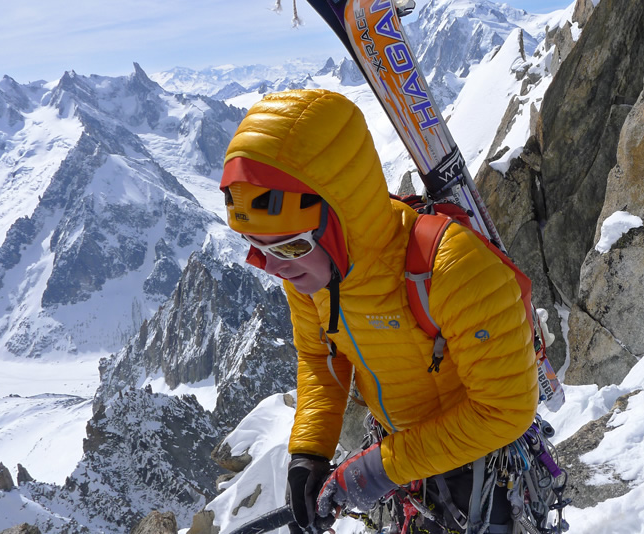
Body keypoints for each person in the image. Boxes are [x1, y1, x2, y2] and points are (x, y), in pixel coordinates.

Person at [220, 89, 539, 533]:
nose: (272, 267)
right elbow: (321, 357)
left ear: (340, 221)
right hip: (406, 459)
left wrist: (379, 469)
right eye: (255, 248)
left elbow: (505, 409)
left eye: (289, 246)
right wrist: (309, 452)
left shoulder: (454, 270)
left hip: (483, 460)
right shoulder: (310, 271)